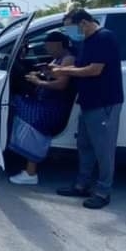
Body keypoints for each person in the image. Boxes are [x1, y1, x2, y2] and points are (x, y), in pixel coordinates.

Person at [51, 9, 124, 209]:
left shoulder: (104, 38)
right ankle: (81, 184)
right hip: (88, 101)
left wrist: (62, 70)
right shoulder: (87, 41)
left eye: (70, 28)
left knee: (103, 150)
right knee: (85, 146)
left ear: (83, 23)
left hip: (104, 103)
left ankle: (103, 191)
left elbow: (94, 69)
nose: (69, 33)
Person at [8, 31, 76, 185]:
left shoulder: (68, 59)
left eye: (49, 46)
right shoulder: (59, 58)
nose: (47, 50)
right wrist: (41, 74)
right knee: (17, 102)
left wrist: (37, 82)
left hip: (53, 107)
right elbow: (53, 75)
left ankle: (30, 171)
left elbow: (61, 84)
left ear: (58, 45)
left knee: (29, 119)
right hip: (46, 101)